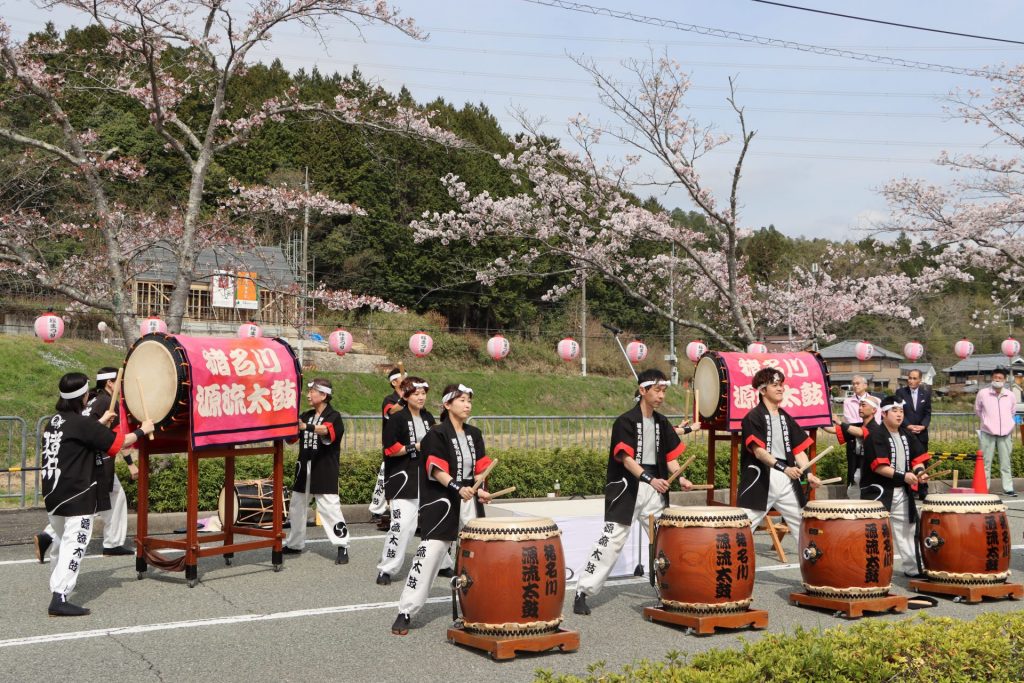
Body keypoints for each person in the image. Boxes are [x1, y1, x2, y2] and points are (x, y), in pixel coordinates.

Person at [573, 369, 695, 616]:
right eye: (657, 390)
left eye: (664, 391)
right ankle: (582, 591)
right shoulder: (625, 421)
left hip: (655, 489)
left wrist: (679, 476)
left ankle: (667, 591)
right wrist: (650, 479)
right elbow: (626, 459)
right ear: (643, 390)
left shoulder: (661, 423)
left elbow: (671, 458)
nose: (661, 396)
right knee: (611, 540)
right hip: (627, 488)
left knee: (664, 541)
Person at [41, 372, 154, 616]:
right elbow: (118, 443)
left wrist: (101, 422)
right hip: (77, 495)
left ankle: (56, 583)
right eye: (86, 394)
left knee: (61, 542)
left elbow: (82, 437)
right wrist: (144, 430)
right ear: (82, 397)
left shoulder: (56, 421)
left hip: (53, 493)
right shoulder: (80, 423)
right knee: (75, 544)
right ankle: (59, 597)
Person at [391, 383, 492, 635]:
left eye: (469, 400)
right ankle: (406, 610)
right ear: (447, 405)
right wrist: (458, 486)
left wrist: (481, 489)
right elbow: (436, 469)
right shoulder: (436, 434)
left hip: (469, 501)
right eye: (461, 400)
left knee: (477, 556)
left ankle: (478, 610)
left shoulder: (474, 434)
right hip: (443, 501)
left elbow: (480, 469)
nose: (467, 404)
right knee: (429, 554)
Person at [34, 368, 139, 562]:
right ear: (109, 383)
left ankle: (49, 536)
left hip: (81, 462)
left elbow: (86, 429)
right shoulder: (108, 402)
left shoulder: (90, 401)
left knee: (104, 501)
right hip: (98, 461)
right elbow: (113, 439)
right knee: (93, 506)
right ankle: (112, 544)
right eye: (119, 382)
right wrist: (132, 460)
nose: (121, 387)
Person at [376, 376, 453, 585]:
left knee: (437, 523)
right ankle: (387, 568)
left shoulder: (428, 417)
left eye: (423, 393)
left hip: (428, 478)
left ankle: (444, 563)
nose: (421, 397)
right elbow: (390, 449)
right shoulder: (397, 418)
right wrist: (417, 447)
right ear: (406, 395)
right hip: (403, 478)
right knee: (401, 526)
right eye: (416, 394)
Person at [739, 367, 822, 548]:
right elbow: (759, 451)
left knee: (802, 524)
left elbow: (798, 451)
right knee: (743, 526)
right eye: (775, 385)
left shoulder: (786, 418)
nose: (780, 389)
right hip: (762, 477)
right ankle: (731, 569)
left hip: (787, 478)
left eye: (781, 385)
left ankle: (813, 572)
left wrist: (808, 474)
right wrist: (783, 468)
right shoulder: (752, 417)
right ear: (762, 390)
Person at [860, 396, 930, 577]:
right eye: (895, 411)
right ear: (883, 413)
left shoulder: (907, 434)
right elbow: (880, 467)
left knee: (908, 531)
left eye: (901, 411)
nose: (899, 415)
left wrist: (920, 472)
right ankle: (872, 572)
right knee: (874, 534)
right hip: (879, 492)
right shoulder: (875, 435)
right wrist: (905, 476)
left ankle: (914, 570)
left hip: (902, 491)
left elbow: (917, 460)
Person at [282, 379, 350, 564]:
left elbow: (326, 430)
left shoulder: (334, 416)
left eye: (312, 391)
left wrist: (306, 427)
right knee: (296, 506)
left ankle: (342, 545)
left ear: (323, 395)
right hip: (304, 466)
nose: (308, 395)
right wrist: (287, 428)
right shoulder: (307, 415)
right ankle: (295, 543)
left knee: (329, 507)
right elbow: (293, 440)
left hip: (324, 467)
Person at [369, 367, 405, 530]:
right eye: (403, 378)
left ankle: (382, 509)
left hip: (408, 445)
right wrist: (404, 399)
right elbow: (391, 411)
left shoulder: (412, 399)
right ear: (394, 382)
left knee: (392, 477)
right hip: (393, 445)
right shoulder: (389, 399)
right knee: (386, 476)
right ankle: (378, 510)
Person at [826, 393, 880, 498]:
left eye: (863, 405)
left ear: (874, 410)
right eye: (859, 405)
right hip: (856, 470)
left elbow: (860, 432)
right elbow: (832, 430)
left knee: (867, 505)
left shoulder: (876, 428)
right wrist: (819, 419)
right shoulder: (856, 426)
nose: (860, 408)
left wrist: (840, 422)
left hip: (869, 473)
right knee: (853, 500)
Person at [975, 367, 1017, 497]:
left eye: (1000, 378)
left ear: (1005, 380)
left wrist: (1008, 424)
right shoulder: (983, 393)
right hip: (987, 432)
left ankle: (1008, 488)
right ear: (991, 378)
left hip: (1005, 433)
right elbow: (978, 410)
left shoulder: (1010, 395)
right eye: (995, 378)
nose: (997, 380)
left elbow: (1013, 412)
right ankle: (984, 487)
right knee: (985, 462)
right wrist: (986, 422)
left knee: (1005, 462)